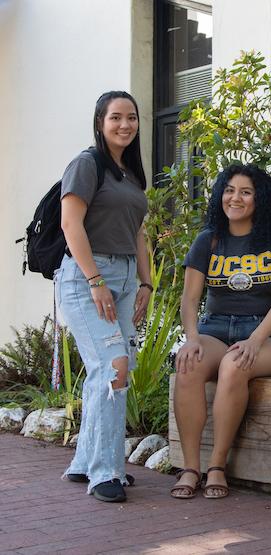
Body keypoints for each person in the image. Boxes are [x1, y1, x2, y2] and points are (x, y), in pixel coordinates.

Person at [172, 164, 271, 500]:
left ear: (260, 199)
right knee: (188, 364)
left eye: (246, 192)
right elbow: (189, 299)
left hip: (268, 334)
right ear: (220, 196)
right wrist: (192, 338)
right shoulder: (209, 239)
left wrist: (255, 340)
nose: (236, 198)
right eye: (229, 190)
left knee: (235, 364)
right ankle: (190, 467)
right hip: (215, 328)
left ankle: (217, 465)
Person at [55, 91, 152, 503]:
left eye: (131, 118)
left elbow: (138, 231)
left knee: (110, 370)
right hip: (86, 277)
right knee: (114, 367)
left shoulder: (129, 173)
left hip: (127, 277)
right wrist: (95, 281)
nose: (125, 125)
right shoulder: (86, 164)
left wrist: (146, 283)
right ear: (100, 122)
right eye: (116, 118)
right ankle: (105, 472)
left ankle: (84, 462)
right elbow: (70, 223)